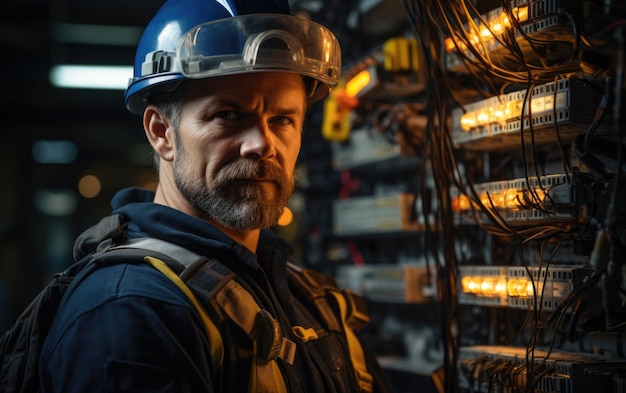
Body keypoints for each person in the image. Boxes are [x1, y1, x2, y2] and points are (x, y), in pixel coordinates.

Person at [38, 1, 395, 392]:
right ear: (161, 132)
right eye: (229, 115)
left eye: (282, 120)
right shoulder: (131, 312)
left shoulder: (307, 296)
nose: (262, 144)